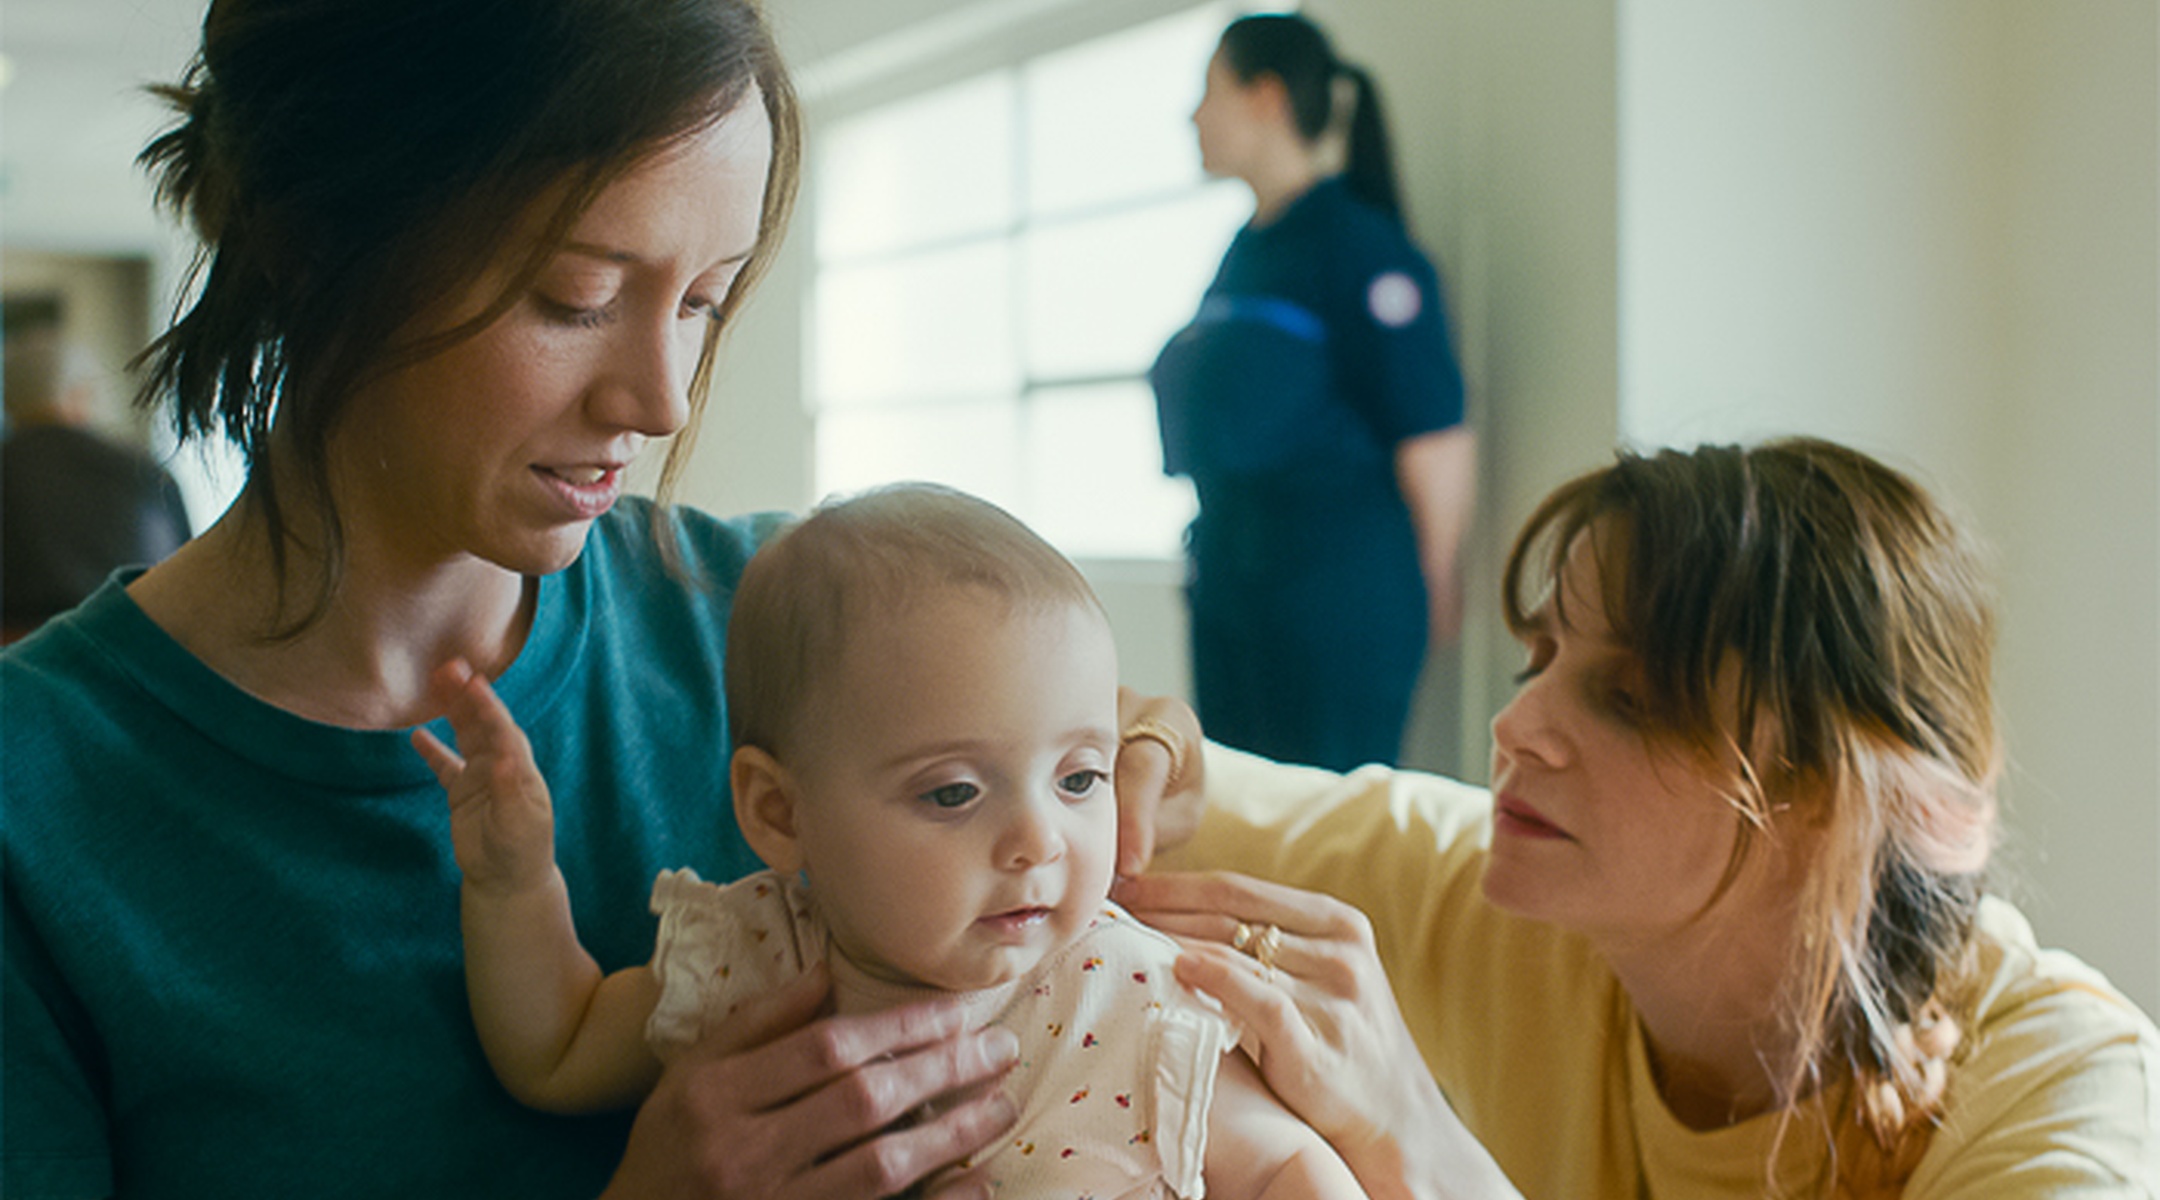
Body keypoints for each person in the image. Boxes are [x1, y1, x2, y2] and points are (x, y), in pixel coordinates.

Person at [0, 3, 1201, 1197]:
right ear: (310, 238)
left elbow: (1128, 750)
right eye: (576, 297)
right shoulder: (34, 799)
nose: (662, 401)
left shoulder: (800, 613)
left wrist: (1159, 789)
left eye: (704, 301)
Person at [1118, 438, 2160, 1198]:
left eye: (1630, 697)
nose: (1517, 726)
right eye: (1540, 660)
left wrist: (1417, 1146)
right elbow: (1139, 782)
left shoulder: (2063, 1089)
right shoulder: (1516, 906)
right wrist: (1111, 753)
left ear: (1830, 796)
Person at [419, 482, 1365, 1199]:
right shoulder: (751, 961)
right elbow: (557, 1049)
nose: (1038, 839)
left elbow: (1288, 1167)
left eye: (1080, 778)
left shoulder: (1124, 995)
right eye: (954, 792)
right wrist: (514, 882)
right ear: (779, 813)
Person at [1149, 12, 1474, 773]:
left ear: (1265, 98)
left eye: (1209, 91)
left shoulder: (1361, 249)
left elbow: (1432, 431)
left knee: (1328, 815)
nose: (1194, 116)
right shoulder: (1247, 250)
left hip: (1334, 594)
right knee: (1237, 807)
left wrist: (1432, 578)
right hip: (1236, 585)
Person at [1, 296, 192, 641]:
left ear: (8, 398)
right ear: (80, 393)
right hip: (129, 650)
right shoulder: (145, 473)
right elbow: (186, 573)